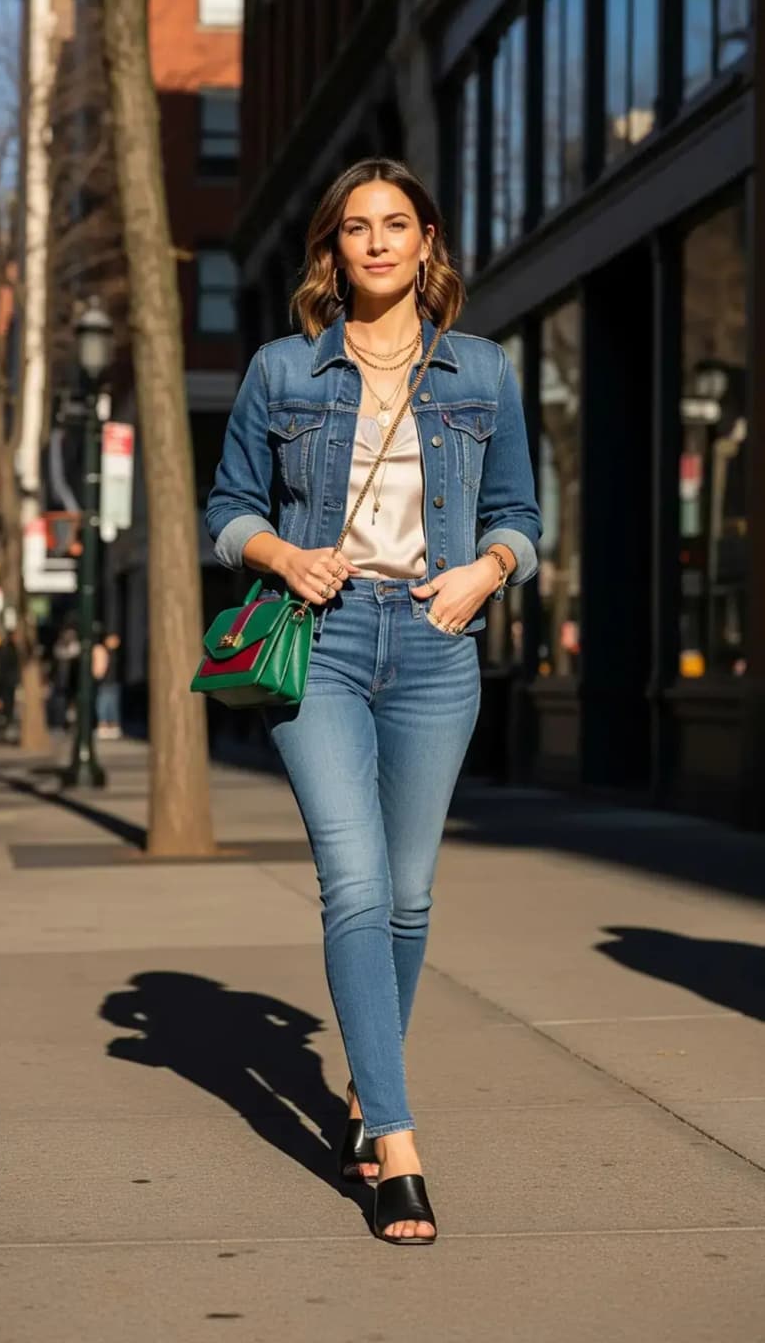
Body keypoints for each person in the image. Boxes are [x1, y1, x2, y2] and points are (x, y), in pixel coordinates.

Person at [206, 158, 541, 1245]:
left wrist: (487, 571)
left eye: (399, 224)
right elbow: (227, 508)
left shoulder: (484, 372)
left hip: (439, 640)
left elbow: (520, 513)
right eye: (358, 228)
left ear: (429, 242)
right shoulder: (282, 371)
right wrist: (279, 554)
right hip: (327, 638)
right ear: (332, 251)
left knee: (407, 892)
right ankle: (394, 1139)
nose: (380, 242)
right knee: (351, 879)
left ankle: (361, 1086)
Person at [93, 631, 122, 739]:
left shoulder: (115, 653)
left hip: (112, 682)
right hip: (106, 682)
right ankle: (104, 725)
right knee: (104, 703)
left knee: (110, 704)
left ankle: (112, 726)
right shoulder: (103, 651)